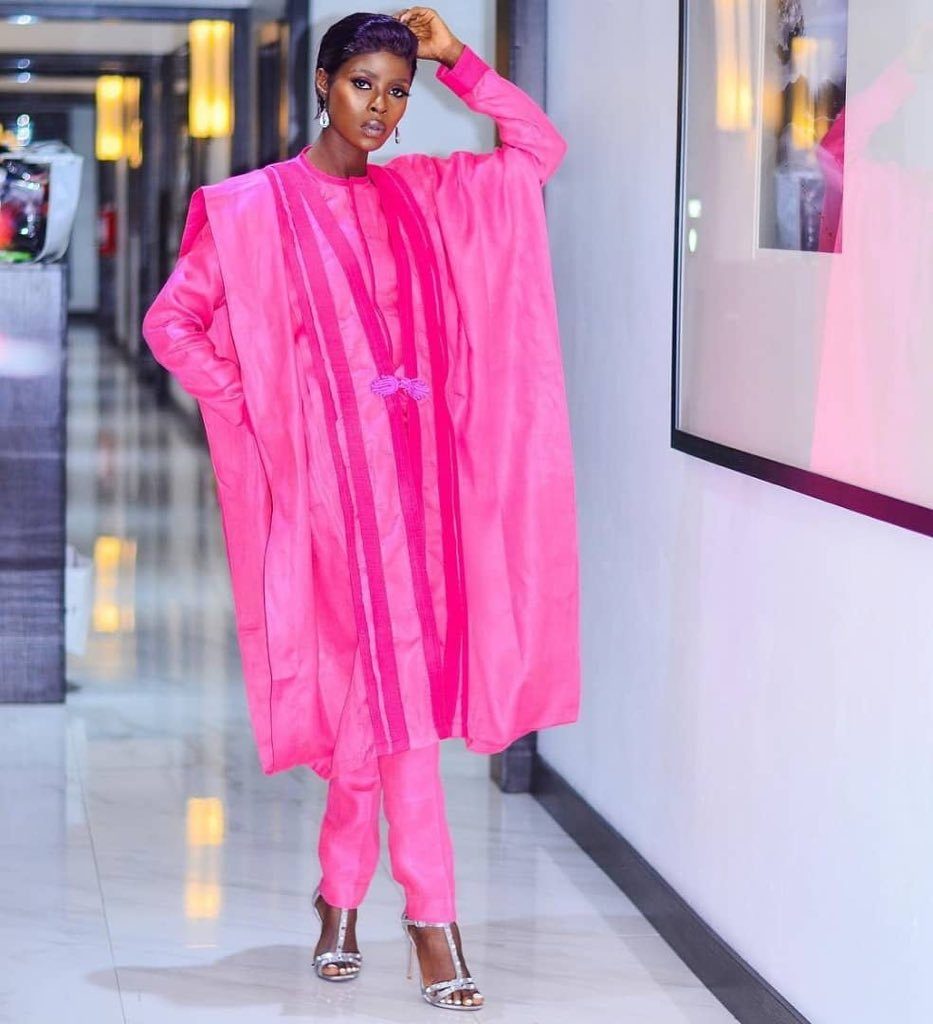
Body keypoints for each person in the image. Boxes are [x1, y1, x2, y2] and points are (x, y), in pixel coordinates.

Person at [143, 6, 580, 1012]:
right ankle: (432, 919)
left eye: (397, 89)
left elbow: (536, 149)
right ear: (322, 84)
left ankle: (339, 894)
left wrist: (458, 60)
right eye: (361, 84)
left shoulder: (423, 191)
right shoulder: (254, 209)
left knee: (379, 698)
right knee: (396, 697)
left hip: (427, 496)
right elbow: (172, 323)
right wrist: (265, 404)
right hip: (333, 509)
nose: (380, 107)